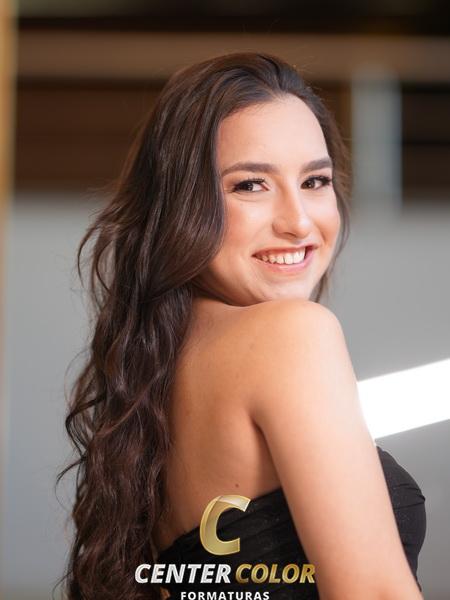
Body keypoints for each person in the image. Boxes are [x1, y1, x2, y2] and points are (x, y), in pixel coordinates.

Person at [58, 52, 426, 600]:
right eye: (251, 185)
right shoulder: (291, 335)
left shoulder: (154, 375)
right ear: (182, 206)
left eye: (315, 180)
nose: (298, 221)